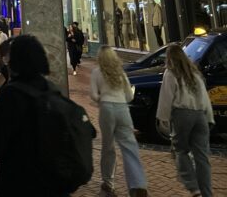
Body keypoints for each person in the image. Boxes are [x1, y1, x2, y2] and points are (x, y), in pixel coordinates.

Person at [0, 34, 93, 197]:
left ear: (15, 61)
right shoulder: (51, 90)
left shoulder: (11, 95)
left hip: (18, 184)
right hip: (53, 185)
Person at [157, 44, 214, 197]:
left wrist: (163, 118)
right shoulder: (195, 73)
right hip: (200, 115)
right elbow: (204, 97)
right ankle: (207, 193)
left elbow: (166, 97)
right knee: (202, 157)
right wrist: (209, 117)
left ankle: (193, 188)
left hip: (182, 115)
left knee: (180, 150)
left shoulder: (170, 73)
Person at [90, 45, 148, 197]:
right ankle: (138, 185)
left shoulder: (97, 72)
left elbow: (93, 95)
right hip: (123, 108)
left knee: (108, 147)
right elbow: (129, 96)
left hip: (106, 108)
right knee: (130, 147)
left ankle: (108, 184)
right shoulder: (120, 73)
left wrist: (101, 99)